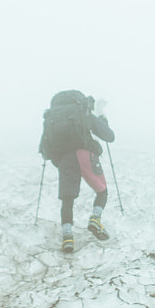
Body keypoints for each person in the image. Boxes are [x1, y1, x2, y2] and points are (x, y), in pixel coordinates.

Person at [38, 90, 115, 253]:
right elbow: (109, 136)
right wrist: (102, 117)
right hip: (85, 155)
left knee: (67, 199)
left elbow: (44, 148)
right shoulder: (82, 112)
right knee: (102, 191)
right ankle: (95, 219)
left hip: (65, 159)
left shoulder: (51, 117)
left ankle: (67, 237)